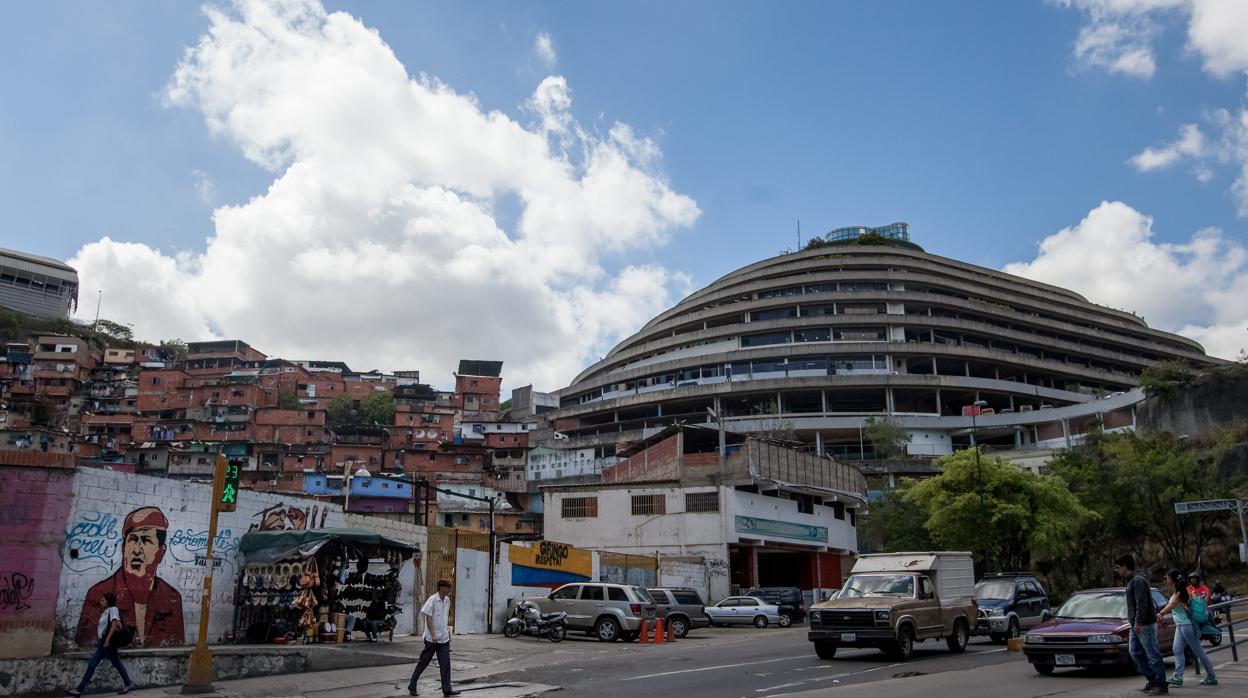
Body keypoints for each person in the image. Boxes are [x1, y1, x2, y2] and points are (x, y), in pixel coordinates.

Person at [76, 507, 184, 647]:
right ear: (123, 548)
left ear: (161, 552)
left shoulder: (171, 599)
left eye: (146, 541)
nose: (136, 550)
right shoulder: (98, 594)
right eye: (132, 540)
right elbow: (87, 644)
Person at [66, 592, 135, 696]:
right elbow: (110, 626)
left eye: (103, 600)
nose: (100, 602)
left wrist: (107, 640)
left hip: (107, 643)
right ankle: (128, 683)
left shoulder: (113, 609)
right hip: (103, 643)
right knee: (107, 663)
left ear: (108, 602)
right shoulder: (106, 612)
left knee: (94, 664)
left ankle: (79, 689)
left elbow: (115, 623)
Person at [1117, 554, 1167, 695]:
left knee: (1153, 654)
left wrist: (1138, 621)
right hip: (1135, 624)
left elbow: (1142, 603)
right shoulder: (1130, 581)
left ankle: (1161, 684)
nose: (1117, 571)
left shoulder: (1137, 581)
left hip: (1144, 624)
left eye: (1118, 567)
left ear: (1124, 566)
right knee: (1135, 652)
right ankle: (1152, 680)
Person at [1159, 569, 1217, 687]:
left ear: (1172, 578)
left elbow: (1172, 604)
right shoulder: (1179, 590)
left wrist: (1161, 613)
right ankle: (1178, 676)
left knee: (1198, 651)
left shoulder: (1181, 591)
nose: (1166, 578)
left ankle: (1211, 676)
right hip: (1181, 625)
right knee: (1177, 649)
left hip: (1187, 625)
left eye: (1167, 577)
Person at [408, 580, 459, 697]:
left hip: (444, 639)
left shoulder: (447, 600)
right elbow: (428, 618)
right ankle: (412, 685)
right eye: (447, 587)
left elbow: (444, 618)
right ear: (441, 588)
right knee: (423, 662)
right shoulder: (432, 600)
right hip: (432, 639)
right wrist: (433, 634)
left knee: (445, 664)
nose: (449, 590)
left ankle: (447, 689)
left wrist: (447, 634)